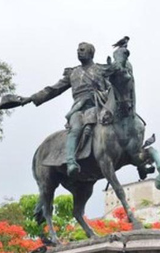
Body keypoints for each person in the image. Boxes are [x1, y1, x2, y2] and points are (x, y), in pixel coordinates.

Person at [20, 42, 125, 176]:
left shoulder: (100, 69)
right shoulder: (73, 73)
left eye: (82, 49)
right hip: (79, 109)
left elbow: (117, 68)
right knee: (75, 128)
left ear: (90, 53)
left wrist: (122, 52)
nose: (78, 51)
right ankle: (70, 161)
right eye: (78, 50)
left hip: (99, 107)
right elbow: (53, 89)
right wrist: (31, 98)